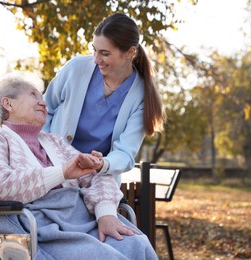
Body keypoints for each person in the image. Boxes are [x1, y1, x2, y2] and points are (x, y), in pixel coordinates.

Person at [0, 73, 158, 259]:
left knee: (137, 244)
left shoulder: (54, 142)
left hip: (78, 220)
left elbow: (97, 175)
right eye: (34, 95)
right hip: (35, 224)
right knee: (104, 256)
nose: (44, 103)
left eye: (42, 97)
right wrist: (61, 173)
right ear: (8, 103)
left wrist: (105, 213)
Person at [43, 13, 165, 186]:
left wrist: (103, 164)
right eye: (94, 50)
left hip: (97, 179)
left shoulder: (142, 96)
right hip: (54, 168)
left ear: (130, 52)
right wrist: (45, 150)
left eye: (105, 53)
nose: (96, 59)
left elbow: (125, 152)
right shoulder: (75, 69)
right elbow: (43, 110)